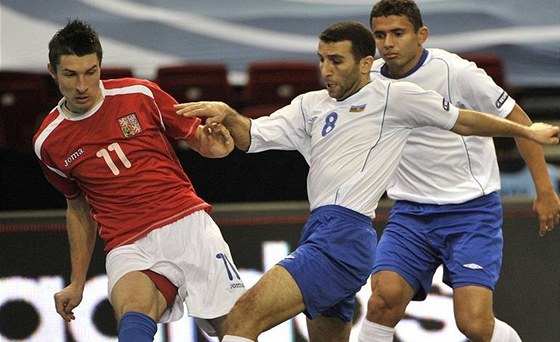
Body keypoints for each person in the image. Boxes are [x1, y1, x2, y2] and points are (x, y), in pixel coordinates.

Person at [175, 21, 559, 342]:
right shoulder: (309, 105)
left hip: (343, 236)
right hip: (318, 230)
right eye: (321, 59)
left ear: (365, 64)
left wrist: (528, 133)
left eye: (336, 60)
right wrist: (228, 115)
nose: (326, 70)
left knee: (242, 318)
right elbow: (253, 135)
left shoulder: (395, 97)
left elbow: (465, 119)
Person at [357, 1, 560, 341]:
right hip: (410, 214)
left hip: (470, 211)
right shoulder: (370, 79)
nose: (388, 43)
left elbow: (520, 123)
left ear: (421, 35)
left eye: (397, 33)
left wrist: (545, 190)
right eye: (380, 35)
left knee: (475, 326)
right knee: (382, 300)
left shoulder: (457, 72)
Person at [32, 19, 245, 342]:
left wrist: (215, 147)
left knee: (237, 329)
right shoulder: (48, 141)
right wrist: (78, 282)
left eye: (91, 72)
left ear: (100, 65)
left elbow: (200, 139)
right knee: (133, 317)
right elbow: (77, 207)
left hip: (186, 224)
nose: (82, 86)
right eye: (70, 74)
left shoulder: (139, 94)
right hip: (127, 242)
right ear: (52, 71)